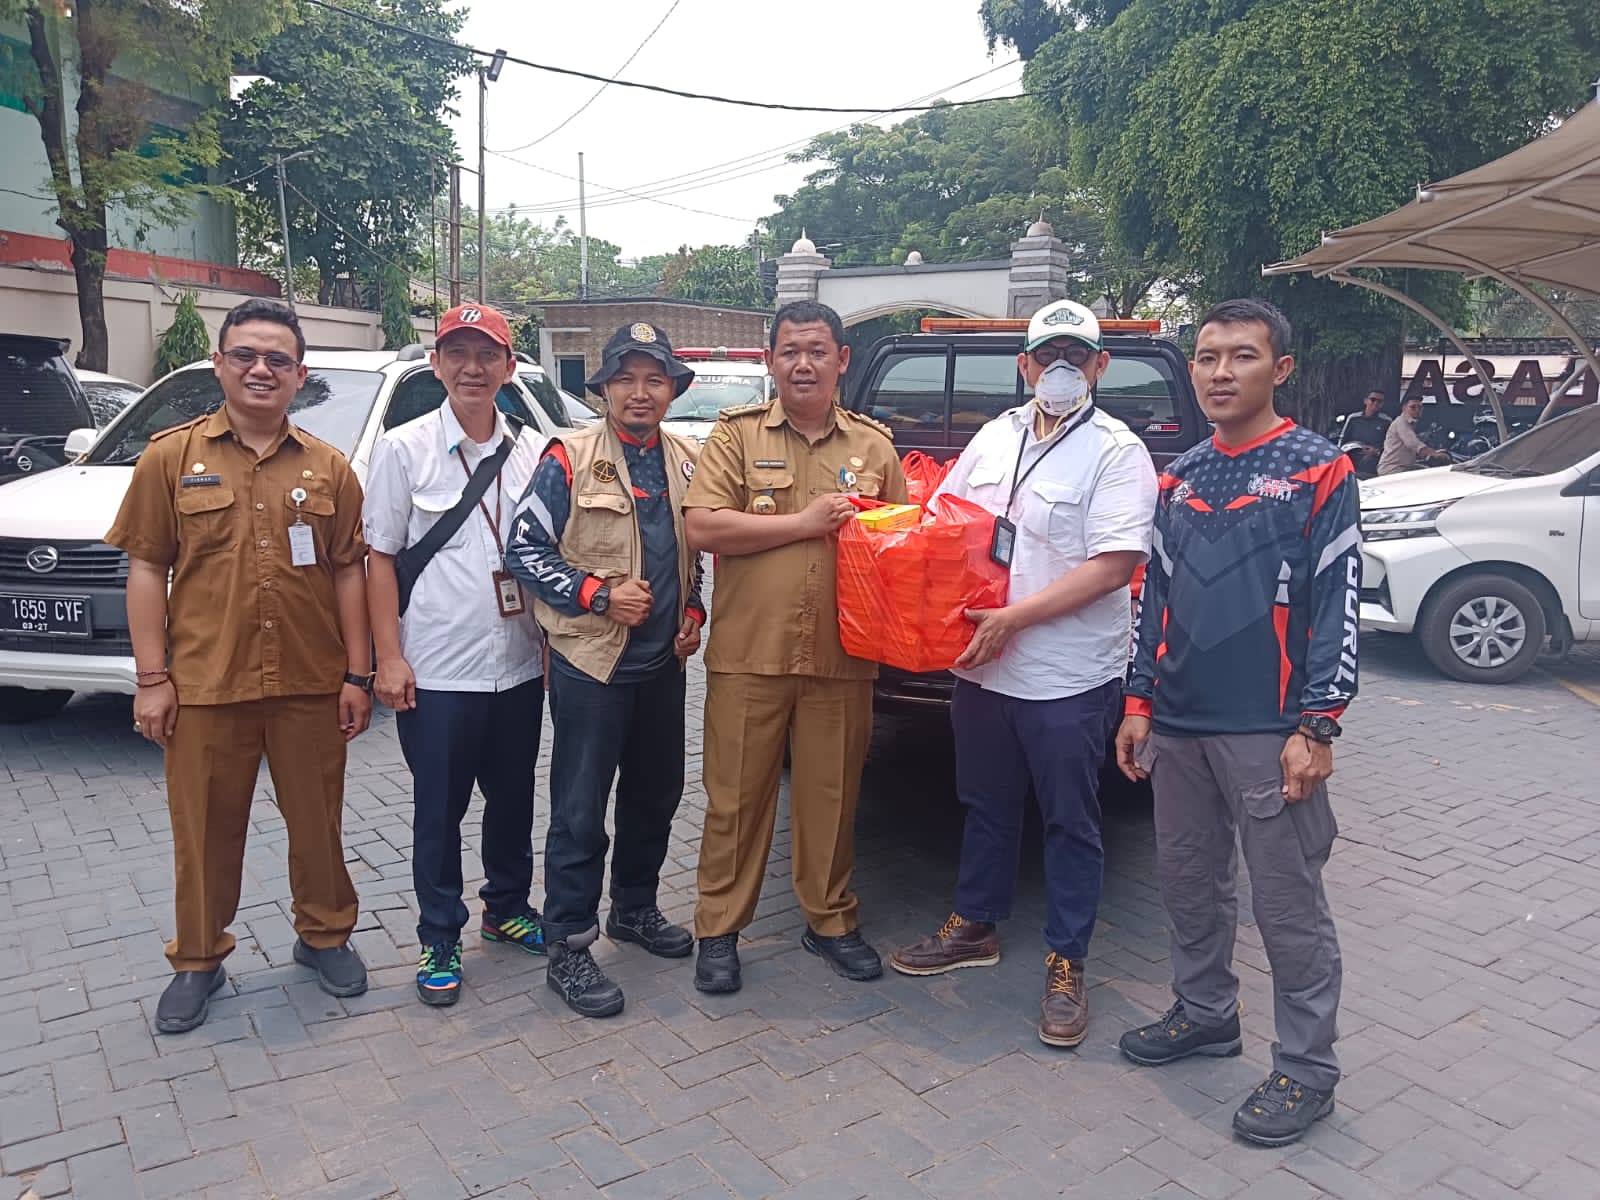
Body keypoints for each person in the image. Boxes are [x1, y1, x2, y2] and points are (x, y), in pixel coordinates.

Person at [1113, 298, 1359, 1147]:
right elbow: (1157, 596)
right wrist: (1139, 702)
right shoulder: (1180, 475)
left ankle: (1306, 1069)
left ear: (1279, 369)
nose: (1220, 372)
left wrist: (1317, 726)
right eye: (1208, 357)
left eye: (1241, 357)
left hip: (1271, 728)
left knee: (1287, 904)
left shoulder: (1319, 470)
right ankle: (1206, 1013)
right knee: (1188, 880)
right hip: (1178, 723)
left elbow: (1337, 602)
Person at [890, 299, 1157, 1049]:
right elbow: (942, 521)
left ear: (1102, 367)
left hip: (1067, 676)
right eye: (1049, 356)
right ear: (1025, 365)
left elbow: (1116, 565)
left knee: (1071, 821)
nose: (1061, 369)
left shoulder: (1116, 450)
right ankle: (976, 924)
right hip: (982, 669)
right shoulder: (995, 436)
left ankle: (1067, 962)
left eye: (1078, 356)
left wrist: (1015, 618)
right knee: (986, 804)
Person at [106, 298, 372, 1034]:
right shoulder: (170, 457)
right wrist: (152, 679)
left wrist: (357, 675)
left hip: (309, 685)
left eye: (277, 359)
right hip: (205, 687)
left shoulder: (329, 467)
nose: (261, 369)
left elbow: (349, 571)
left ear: (299, 375)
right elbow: (145, 567)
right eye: (246, 355)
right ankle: (198, 958)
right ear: (220, 363)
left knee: (318, 823)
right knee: (204, 830)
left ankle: (325, 936)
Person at [684, 300, 908, 994]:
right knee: (736, 800)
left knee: (831, 798)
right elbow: (703, 527)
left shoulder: (874, 446)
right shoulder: (736, 437)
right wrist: (806, 524)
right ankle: (718, 929)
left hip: (843, 656)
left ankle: (830, 921)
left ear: (843, 359)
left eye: (817, 349)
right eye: (789, 351)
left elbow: (902, 540)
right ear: (771, 361)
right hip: (752, 653)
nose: (803, 362)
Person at [504, 322, 706, 1018]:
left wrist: (694, 612)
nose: (640, 392)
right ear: (606, 389)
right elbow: (523, 549)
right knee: (581, 810)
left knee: (658, 793)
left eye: (655, 379)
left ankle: (635, 908)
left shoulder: (684, 459)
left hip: (661, 666)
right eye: (627, 378)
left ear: (672, 391)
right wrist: (597, 594)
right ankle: (568, 943)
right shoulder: (568, 455)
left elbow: (693, 552)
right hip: (592, 664)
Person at [363, 303, 549, 1008]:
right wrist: (389, 657)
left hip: (519, 662)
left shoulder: (533, 449)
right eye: (457, 353)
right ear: (436, 363)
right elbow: (378, 558)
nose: (472, 368)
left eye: (487, 354)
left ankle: (506, 907)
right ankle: (440, 933)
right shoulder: (403, 449)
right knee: (438, 810)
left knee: (512, 799)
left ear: (509, 367)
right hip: (436, 668)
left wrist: (553, 647)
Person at [1377, 395, 1449, 474]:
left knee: (1429, 472)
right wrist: (1434, 454)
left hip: (1404, 467)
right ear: (1404, 408)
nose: (1417, 410)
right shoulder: (1401, 422)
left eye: (1420, 407)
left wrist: (1434, 451)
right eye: (1413, 407)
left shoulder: (1412, 424)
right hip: (1392, 469)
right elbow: (1413, 443)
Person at [1339, 390, 1390, 475]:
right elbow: (1343, 438)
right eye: (1373, 399)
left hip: (1373, 460)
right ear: (1366, 401)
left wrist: (1377, 451)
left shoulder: (1386, 421)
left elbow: (1389, 443)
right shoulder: (1353, 418)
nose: (1376, 403)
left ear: (1382, 404)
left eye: (1379, 401)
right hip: (1352, 456)